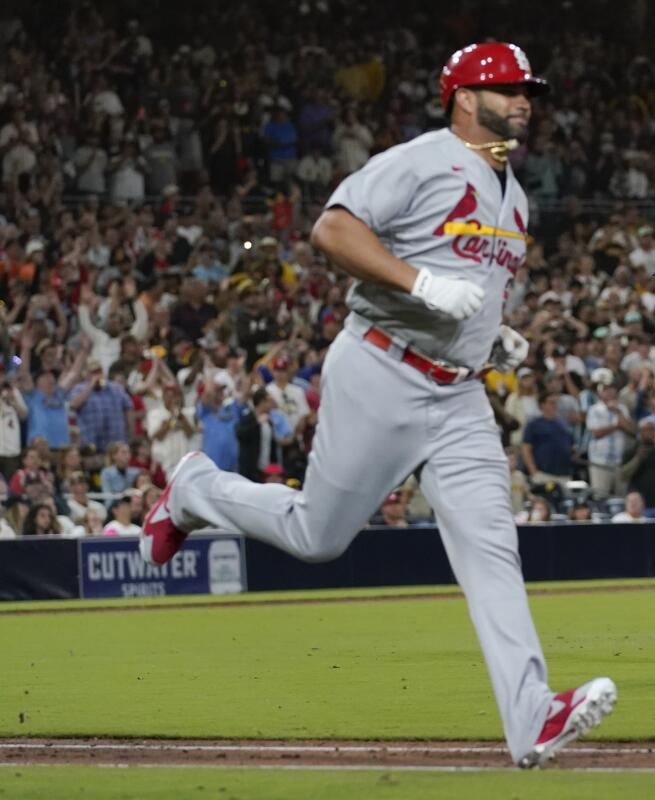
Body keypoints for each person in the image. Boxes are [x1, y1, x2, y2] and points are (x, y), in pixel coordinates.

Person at [138, 42, 613, 769]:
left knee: (492, 551)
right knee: (317, 537)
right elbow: (332, 228)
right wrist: (420, 285)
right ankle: (197, 489)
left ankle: (531, 718)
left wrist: (496, 333)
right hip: (382, 367)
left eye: (528, 90)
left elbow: (473, 281)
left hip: (458, 395)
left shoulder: (514, 194)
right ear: (462, 97)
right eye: (507, 88)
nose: (523, 100)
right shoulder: (422, 158)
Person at [584, 373, 635, 498]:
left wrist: (617, 412)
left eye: (611, 388)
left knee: (620, 499)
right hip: (599, 462)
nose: (608, 392)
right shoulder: (594, 410)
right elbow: (596, 432)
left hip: (619, 462)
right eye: (605, 389)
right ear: (599, 392)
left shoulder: (622, 408)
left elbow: (632, 430)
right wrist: (617, 426)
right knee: (600, 497)